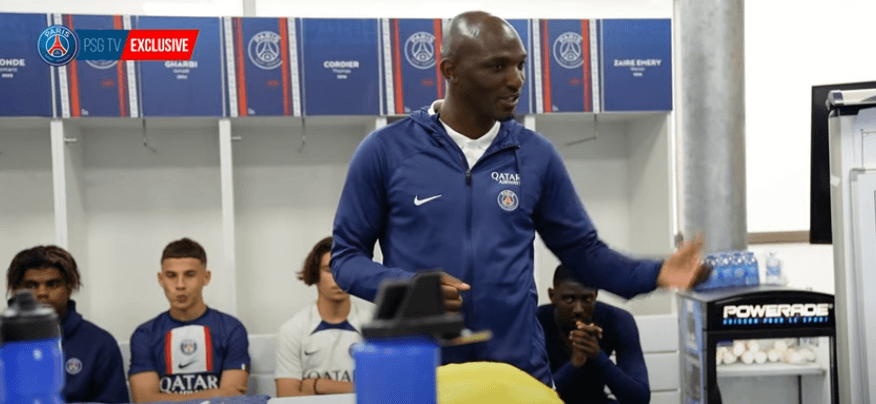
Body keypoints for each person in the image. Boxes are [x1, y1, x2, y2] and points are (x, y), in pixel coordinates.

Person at [331, 10, 709, 385]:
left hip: (518, 373)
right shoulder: (385, 151)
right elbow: (346, 259)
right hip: (423, 375)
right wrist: (407, 287)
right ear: (450, 70)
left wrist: (656, 274)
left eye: (520, 65)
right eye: (497, 67)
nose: (516, 80)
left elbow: (583, 252)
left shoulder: (536, 155)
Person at [128, 238, 250, 402]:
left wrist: (165, 399)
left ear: (206, 277)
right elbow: (145, 400)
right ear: (161, 279)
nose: (180, 285)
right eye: (171, 276)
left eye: (189, 275)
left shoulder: (231, 329)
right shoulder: (145, 334)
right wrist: (215, 394)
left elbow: (233, 395)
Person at [5, 245, 130, 403]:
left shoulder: (100, 343)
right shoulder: (4, 342)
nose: (42, 293)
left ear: (70, 287)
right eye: (31, 286)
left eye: (52, 284)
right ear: (16, 290)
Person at [275, 236, 374, 397]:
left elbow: (387, 388)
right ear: (315, 274)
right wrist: (357, 388)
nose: (338, 277)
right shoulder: (292, 330)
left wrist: (320, 385)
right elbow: (287, 396)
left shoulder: (374, 323)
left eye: (345, 269)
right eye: (329, 270)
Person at [537, 265, 649, 404]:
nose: (578, 309)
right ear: (552, 296)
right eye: (569, 299)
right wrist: (574, 364)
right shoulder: (537, 322)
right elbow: (532, 397)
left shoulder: (617, 320)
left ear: (595, 295)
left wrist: (597, 356)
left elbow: (640, 399)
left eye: (586, 299)